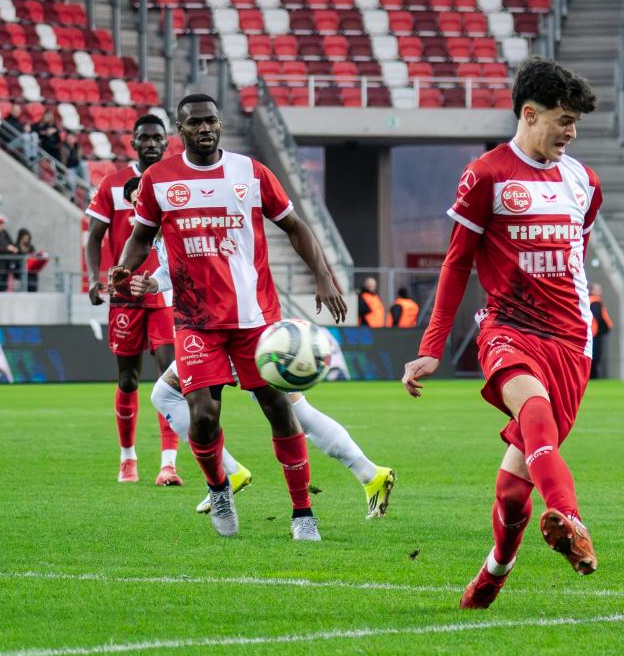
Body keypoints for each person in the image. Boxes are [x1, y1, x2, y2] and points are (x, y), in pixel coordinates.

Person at [403, 57, 602, 609]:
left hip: (571, 341)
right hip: (507, 327)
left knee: (513, 493)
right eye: (564, 120)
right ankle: (571, 518)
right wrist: (431, 348)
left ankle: (495, 570)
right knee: (533, 409)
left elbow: (576, 254)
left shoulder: (584, 182)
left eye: (575, 123)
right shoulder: (486, 174)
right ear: (529, 114)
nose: (571, 132)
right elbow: (456, 263)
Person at [110, 92, 348, 542]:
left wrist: (324, 276)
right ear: (180, 130)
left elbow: (294, 225)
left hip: (255, 318)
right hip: (196, 321)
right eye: (194, 122)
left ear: (220, 124)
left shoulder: (250, 172)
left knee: (279, 409)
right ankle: (219, 489)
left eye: (211, 121)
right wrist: (125, 266)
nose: (204, 128)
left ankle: (303, 512)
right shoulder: (159, 179)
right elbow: (141, 237)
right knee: (202, 416)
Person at [130, 248, 397, 521]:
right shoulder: (166, 232)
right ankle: (368, 473)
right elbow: (178, 269)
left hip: (228, 325)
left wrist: (322, 276)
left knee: (287, 411)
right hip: (224, 320)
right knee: (294, 410)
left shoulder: (178, 223)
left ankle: (235, 475)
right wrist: (155, 282)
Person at [85, 116, 183, 485]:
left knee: (169, 377)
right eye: (145, 138)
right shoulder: (113, 184)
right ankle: (128, 458)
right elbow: (95, 235)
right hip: (124, 296)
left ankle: (168, 464)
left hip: (164, 293)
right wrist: (95, 278)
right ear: (134, 143)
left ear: (166, 142)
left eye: (158, 138)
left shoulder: (175, 181)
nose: (152, 144)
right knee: (128, 380)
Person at [588, 282, 613, 378]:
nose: (600, 291)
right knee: (595, 356)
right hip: (595, 332)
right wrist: (605, 328)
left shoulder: (589, 300)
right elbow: (598, 316)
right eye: (598, 289)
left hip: (591, 332)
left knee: (593, 355)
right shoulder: (595, 302)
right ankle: (593, 376)